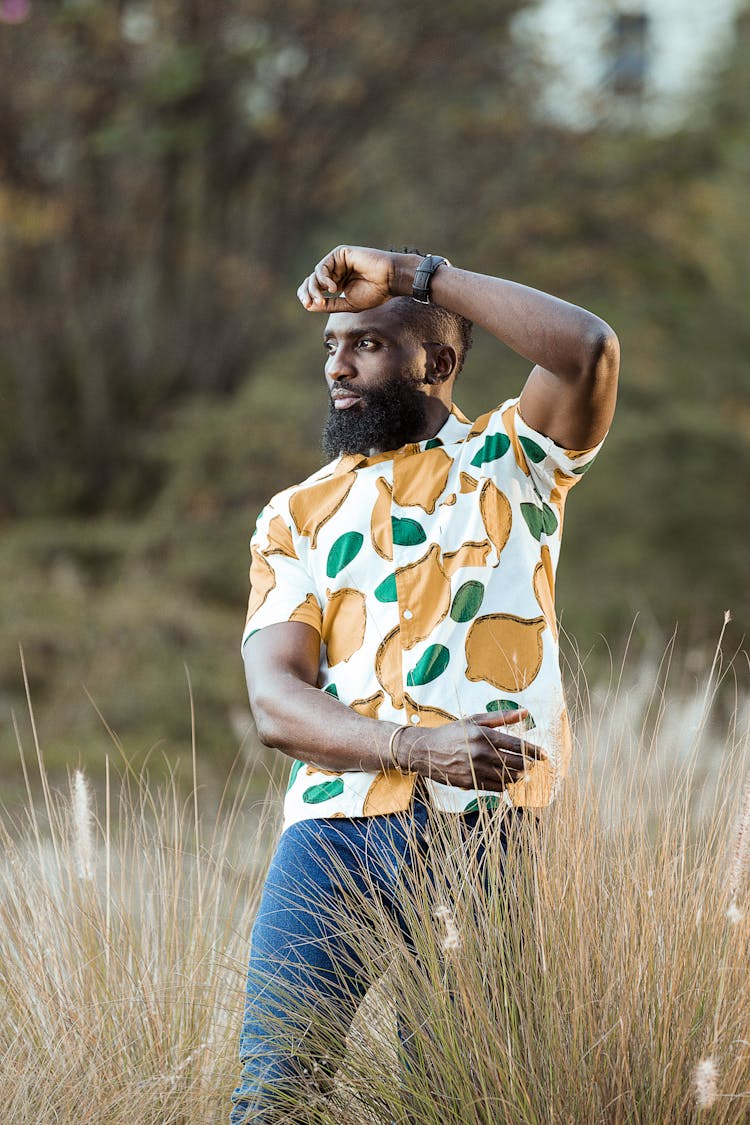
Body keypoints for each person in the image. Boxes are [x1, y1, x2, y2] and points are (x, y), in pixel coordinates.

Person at [230, 245, 619, 1122]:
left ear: (438, 364)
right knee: (277, 1091)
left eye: (367, 343)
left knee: (455, 1100)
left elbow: (588, 348)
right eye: (332, 346)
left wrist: (416, 275)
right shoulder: (294, 515)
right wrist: (411, 747)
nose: (338, 365)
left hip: (486, 841)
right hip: (332, 836)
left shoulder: (516, 461)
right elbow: (274, 702)